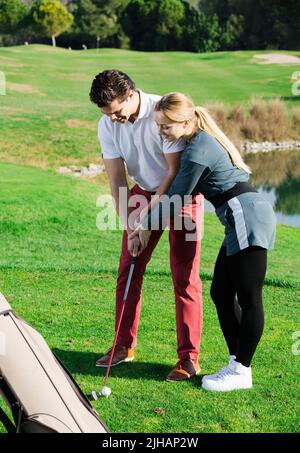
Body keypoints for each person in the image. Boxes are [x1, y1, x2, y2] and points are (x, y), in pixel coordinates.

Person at [130, 92, 276, 391]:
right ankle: (236, 363)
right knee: (221, 293)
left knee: (249, 298)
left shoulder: (197, 150)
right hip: (239, 215)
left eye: (166, 127)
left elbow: (175, 198)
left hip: (246, 215)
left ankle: (241, 371)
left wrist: (144, 227)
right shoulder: (196, 141)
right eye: (158, 126)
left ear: (185, 122)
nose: (161, 132)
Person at [89, 71, 204, 381]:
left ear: (131, 95)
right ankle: (123, 346)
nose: (113, 119)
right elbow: (117, 179)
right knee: (129, 266)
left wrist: (146, 225)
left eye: (116, 111)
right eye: (106, 114)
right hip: (143, 193)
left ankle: (188, 359)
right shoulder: (107, 125)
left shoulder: (160, 114)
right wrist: (131, 228)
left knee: (184, 275)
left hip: (181, 195)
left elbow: (172, 175)